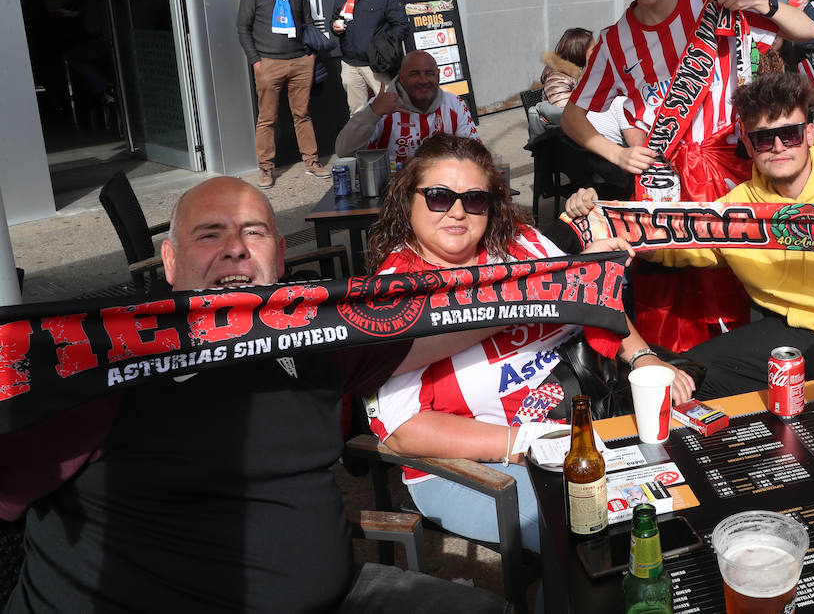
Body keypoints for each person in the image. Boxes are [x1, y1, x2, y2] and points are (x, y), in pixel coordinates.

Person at [0, 176, 510, 613]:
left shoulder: (311, 338)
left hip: (335, 598)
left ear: (280, 256)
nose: (236, 247)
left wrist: (541, 293)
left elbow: (432, 326)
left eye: (254, 232)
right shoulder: (101, 362)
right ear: (170, 262)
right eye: (209, 234)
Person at [364, 134, 693, 551]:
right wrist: (525, 444)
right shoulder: (393, 294)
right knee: (593, 536)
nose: (458, 212)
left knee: (686, 490)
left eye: (475, 199)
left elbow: (587, 298)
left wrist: (643, 356)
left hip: (586, 420)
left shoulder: (517, 243)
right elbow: (402, 431)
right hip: (475, 465)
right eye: (439, 196)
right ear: (407, 199)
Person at [566, 71, 814, 402]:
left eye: (789, 134)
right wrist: (596, 217)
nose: (779, 146)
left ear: (810, 132)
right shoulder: (739, 206)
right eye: (764, 139)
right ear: (748, 145)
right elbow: (676, 242)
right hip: (795, 329)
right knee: (688, 380)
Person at [561, 0, 814, 350]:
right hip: (663, 179)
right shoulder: (613, 40)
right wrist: (617, 155)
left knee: (743, 280)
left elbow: (809, 30)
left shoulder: (714, 3)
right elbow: (572, 115)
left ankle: (742, 375)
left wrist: (761, 1)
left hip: (728, 168)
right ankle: (669, 378)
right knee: (666, 291)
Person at [237, 0, 331, 188]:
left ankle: (311, 162)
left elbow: (308, 21)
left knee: (303, 114)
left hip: (300, 61)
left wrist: (309, 57)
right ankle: (266, 168)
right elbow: (243, 28)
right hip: (269, 64)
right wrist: (256, 63)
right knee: (267, 118)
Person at [335, 49, 479, 170]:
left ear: (438, 76)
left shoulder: (454, 103)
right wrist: (372, 113)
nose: (423, 80)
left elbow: (474, 152)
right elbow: (343, 151)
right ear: (401, 78)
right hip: (393, 191)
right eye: (414, 74)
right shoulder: (380, 107)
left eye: (429, 73)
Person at [529, 27, 638, 145]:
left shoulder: (583, 71)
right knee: (620, 106)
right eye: (593, 49)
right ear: (579, 51)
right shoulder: (558, 78)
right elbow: (566, 111)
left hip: (587, 127)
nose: (597, 52)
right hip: (568, 139)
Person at [330, 0, 407, 115]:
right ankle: (364, 142)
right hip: (350, 64)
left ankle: (392, 141)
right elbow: (334, 19)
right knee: (357, 114)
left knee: (392, 111)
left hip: (377, 67)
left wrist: (385, 49)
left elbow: (401, 26)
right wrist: (335, 27)